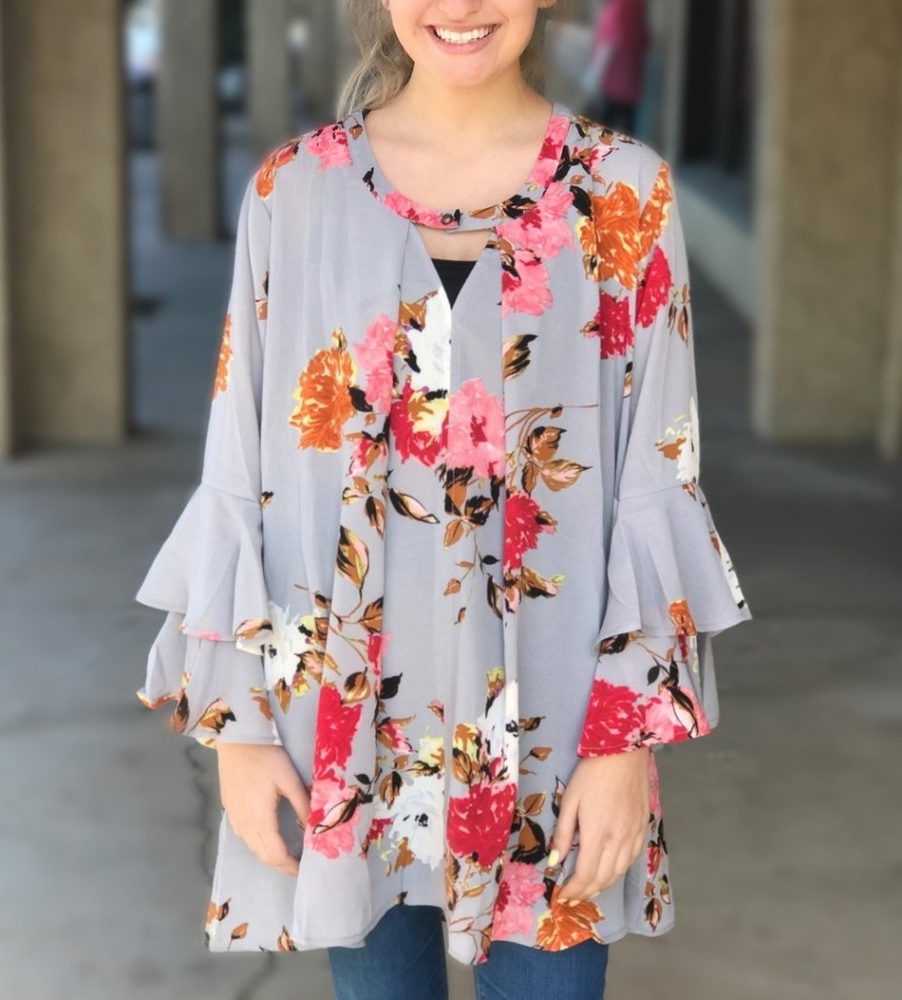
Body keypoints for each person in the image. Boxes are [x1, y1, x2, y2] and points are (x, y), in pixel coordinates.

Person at [132, 1, 752, 998]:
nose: (460, 6)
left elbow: (658, 477)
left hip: (559, 736)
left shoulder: (624, 192)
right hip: (345, 732)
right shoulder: (295, 195)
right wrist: (241, 730)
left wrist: (624, 743)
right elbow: (238, 475)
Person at [582, 0, 650, 135]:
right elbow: (644, 39)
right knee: (625, 123)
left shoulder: (619, 5)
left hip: (614, 79)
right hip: (630, 79)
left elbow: (609, 42)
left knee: (605, 124)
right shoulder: (636, 5)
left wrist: (593, 76)